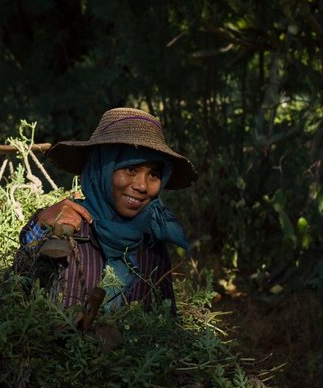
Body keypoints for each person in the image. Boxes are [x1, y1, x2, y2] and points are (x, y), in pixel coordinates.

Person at [14, 107, 197, 317]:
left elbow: (165, 321)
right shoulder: (64, 226)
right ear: (101, 168)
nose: (142, 186)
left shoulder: (152, 242)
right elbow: (16, 288)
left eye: (154, 174)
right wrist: (39, 226)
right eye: (131, 169)